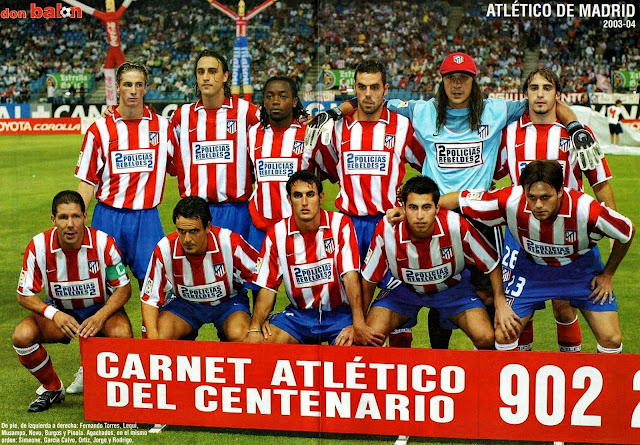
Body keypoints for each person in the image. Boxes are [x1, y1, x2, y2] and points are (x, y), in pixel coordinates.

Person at [309, 52, 602, 350]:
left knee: (488, 296)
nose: (457, 85)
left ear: (474, 82)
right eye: (451, 78)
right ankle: (441, 358)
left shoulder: (496, 110)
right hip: (435, 218)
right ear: (442, 81)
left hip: (481, 219)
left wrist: (576, 126)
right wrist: (336, 111)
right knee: (438, 294)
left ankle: (487, 365)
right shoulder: (423, 111)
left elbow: (545, 103)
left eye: (464, 78)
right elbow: (370, 100)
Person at [440, 160, 635, 353]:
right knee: (504, 335)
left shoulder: (586, 209)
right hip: (531, 272)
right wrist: (413, 213)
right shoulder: (510, 200)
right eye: (531, 197)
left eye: (545, 197)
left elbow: (627, 232)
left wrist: (608, 274)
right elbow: (458, 199)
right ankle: (513, 382)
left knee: (612, 339)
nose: (538, 205)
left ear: (560, 191)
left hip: (580, 272)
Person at [494, 68, 616, 352]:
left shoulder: (578, 136)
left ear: (557, 95)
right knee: (518, 315)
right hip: (521, 236)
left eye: (546, 88)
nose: (539, 93)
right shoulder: (509, 135)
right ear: (525, 95)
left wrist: (611, 225)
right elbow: (490, 173)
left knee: (564, 308)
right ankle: (520, 376)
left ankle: (569, 372)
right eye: (534, 88)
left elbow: (600, 180)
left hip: (571, 236)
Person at [75, 61, 175, 391]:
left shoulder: (162, 127)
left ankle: (152, 362)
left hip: (146, 218)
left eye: (139, 84)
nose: (133, 91)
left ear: (146, 88)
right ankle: (88, 366)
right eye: (127, 84)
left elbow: (179, 164)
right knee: (97, 292)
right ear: (117, 87)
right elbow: (88, 181)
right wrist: (79, 223)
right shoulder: (100, 130)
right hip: (107, 218)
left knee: (157, 290)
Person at [315, 60, 425, 348]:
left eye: (374, 87)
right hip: (348, 225)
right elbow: (325, 169)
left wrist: (410, 194)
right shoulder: (338, 129)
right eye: (361, 87)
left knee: (396, 303)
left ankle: (399, 368)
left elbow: (428, 166)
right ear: (354, 89)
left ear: (385, 89)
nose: (367, 94)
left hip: (389, 225)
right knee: (346, 301)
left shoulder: (401, 127)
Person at [12, 191, 132, 412]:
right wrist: (53, 314)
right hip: (61, 311)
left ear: (85, 217)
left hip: (100, 310)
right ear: (53, 219)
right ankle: (52, 388)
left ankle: (113, 395)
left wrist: (100, 316)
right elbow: (23, 294)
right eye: (63, 217)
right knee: (22, 336)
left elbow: (123, 288)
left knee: (121, 334)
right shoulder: (38, 246)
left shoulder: (103, 243)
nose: (70, 224)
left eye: (76, 216)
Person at [245, 171, 384, 346]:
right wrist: (255, 328)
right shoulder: (277, 233)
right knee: (259, 343)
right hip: (300, 317)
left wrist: (358, 323)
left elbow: (350, 277)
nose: (304, 202)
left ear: (321, 197)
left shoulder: (340, 224)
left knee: (357, 346)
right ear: (289, 199)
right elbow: (267, 287)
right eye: (298, 196)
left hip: (340, 314)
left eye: (310, 195)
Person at [361, 176, 500, 349]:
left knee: (486, 338)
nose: (420, 216)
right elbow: (368, 280)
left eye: (426, 207)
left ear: (437, 208)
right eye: (413, 207)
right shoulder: (388, 229)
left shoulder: (456, 225)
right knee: (367, 338)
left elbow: (492, 264)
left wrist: (501, 306)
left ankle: (476, 375)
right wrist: (358, 323)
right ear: (403, 208)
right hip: (404, 290)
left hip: (452, 289)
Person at [170, 49, 260, 240]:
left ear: (225, 76)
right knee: (198, 269)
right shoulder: (182, 116)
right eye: (201, 72)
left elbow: (276, 131)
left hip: (235, 211)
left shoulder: (246, 112)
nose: (206, 77)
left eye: (212, 71)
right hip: (194, 214)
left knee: (238, 268)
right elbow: (166, 157)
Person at [140, 196, 259, 341]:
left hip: (228, 303)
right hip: (184, 304)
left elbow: (264, 279)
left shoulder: (230, 243)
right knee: (161, 335)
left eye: (194, 231)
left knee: (241, 334)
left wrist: (257, 323)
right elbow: (149, 298)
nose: (187, 239)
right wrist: (152, 337)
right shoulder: (165, 249)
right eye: (181, 231)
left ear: (208, 227)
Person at [247, 76, 313, 251]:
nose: (275, 101)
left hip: (298, 226)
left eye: (282, 96)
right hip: (260, 225)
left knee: (297, 277)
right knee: (256, 278)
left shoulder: (308, 134)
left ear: (294, 101)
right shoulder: (253, 134)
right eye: (269, 96)